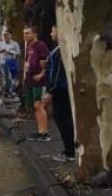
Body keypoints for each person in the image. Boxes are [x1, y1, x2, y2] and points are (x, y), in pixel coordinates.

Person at [43, 26, 76, 161]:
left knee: (63, 121)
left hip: (60, 91)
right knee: (65, 120)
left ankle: (70, 152)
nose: (51, 34)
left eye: (53, 31)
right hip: (62, 90)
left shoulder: (61, 50)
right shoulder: (60, 49)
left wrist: (50, 91)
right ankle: (70, 150)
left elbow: (57, 74)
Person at [21, 26, 51, 141]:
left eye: (27, 33)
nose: (25, 36)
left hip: (39, 81)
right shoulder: (29, 46)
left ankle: (45, 133)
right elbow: (26, 61)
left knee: (39, 105)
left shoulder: (41, 46)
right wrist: (24, 75)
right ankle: (40, 131)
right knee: (34, 106)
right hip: (29, 80)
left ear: (35, 34)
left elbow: (47, 61)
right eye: (24, 34)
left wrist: (41, 74)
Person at [0, 31, 21, 100]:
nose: (6, 37)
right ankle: (6, 91)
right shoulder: (1, 43)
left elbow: (19, 53)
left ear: (10, 36)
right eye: (4, 35)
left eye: (7, 35)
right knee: (5, 77)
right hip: (2, 62)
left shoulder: (15, 44)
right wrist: (1, 52)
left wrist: (10, 52)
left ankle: (11, 91)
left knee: (11, 77)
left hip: (11, 62)